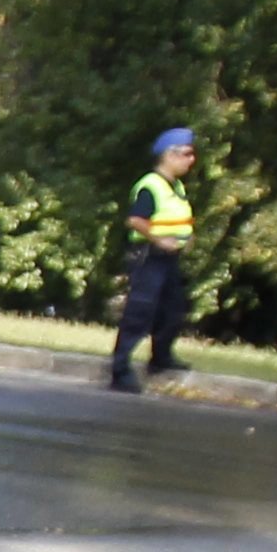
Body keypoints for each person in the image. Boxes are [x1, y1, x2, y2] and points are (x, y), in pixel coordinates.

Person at [108, 128, 196, 392]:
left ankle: (161, 358)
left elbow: (175, 219)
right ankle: (120, 370)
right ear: (169, 155)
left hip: (169, 259)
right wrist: (159, 240)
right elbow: (135, 220)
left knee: (173, 309)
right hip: (149, 256)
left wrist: (186, 237)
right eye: (186, 154)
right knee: (140, 312)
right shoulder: (151, 185)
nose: (191, 159)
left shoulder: (176, 186)